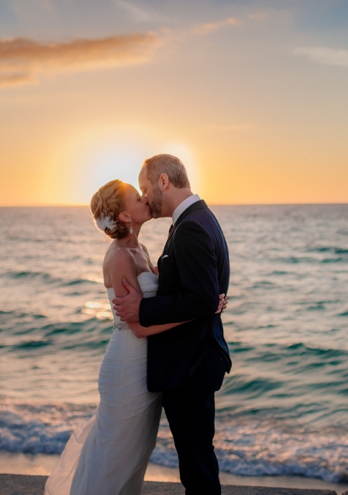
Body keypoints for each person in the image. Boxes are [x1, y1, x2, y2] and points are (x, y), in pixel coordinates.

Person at [45, 179, 227, 495]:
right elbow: (140, 325)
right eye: (136, 196)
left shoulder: (140, 249)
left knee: (135, 455)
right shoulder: (119, 257)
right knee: (115, 456)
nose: (144, 198)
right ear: (125, 217)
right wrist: (203, 309)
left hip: (149, 368)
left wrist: (204, 298)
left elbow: (159, 304)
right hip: (127, 366)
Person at [112, 154, 232, 495]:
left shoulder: (191, 225)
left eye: (147, 188)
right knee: (196, 458)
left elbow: (202, 299)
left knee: (196, 464)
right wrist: (209, 301)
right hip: (194, 360)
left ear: (164, 181)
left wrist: (142, 309)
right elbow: (203, 294)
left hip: (190, 364)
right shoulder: (197, 218)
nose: (146, 197)